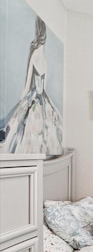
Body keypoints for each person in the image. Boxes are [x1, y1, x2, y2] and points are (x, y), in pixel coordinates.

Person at [0, 16, 63, 154]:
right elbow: (43, 87)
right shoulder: (45, 60)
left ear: (37, 30)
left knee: (22, 132)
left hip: (33, 95)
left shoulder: (34, 53)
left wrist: (22, 101)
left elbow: (28, 83)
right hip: (42, 97)